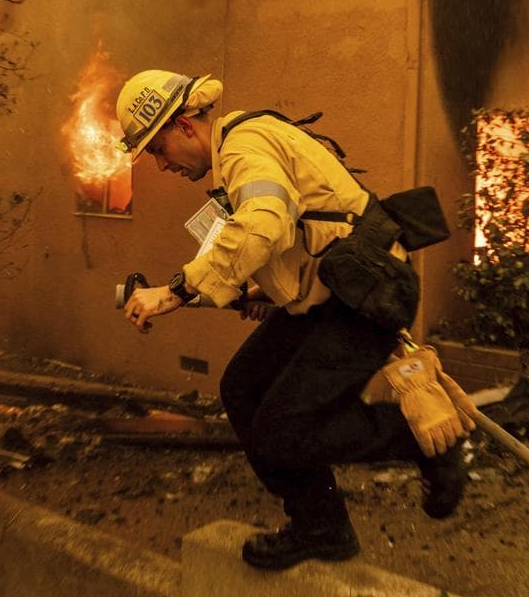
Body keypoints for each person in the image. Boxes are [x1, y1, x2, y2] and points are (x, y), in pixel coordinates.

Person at [117, 69, 470, 570]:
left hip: (365, 298)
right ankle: (320, 526)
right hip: (329, 295)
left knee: (283, 428)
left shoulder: (243, 147)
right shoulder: (240, 153)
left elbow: (262, 223)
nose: (158, 165)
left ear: (185, 126)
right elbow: (297, 235)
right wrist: (270, 290)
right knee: (243, 390)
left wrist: (175, 291)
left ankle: (428, 442)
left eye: (156, 149)